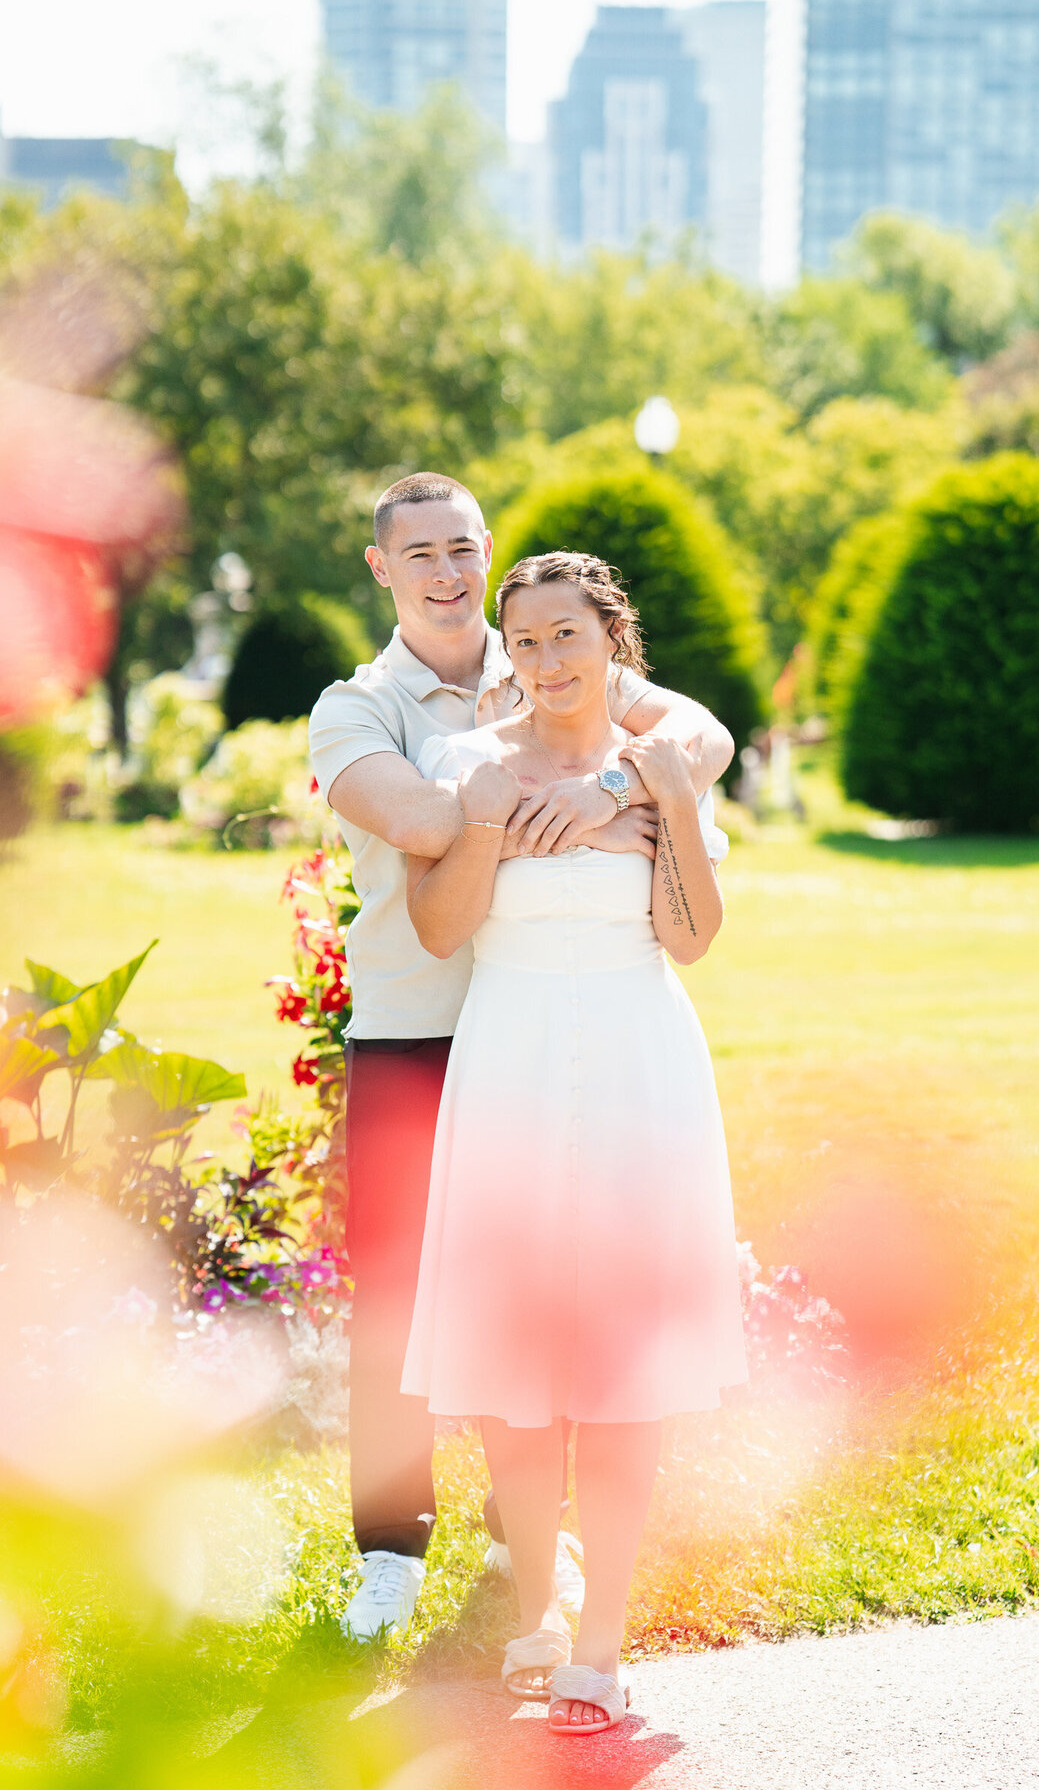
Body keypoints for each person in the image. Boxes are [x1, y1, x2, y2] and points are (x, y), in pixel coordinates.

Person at [308, 473, 735, 1641]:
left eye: (462, 550)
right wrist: (565, 790)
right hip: (419, 1024)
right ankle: (391, 1553)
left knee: (553, 1285)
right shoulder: (355, 708)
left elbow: (701, 737)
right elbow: (433, 824)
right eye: (422, 556)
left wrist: (607, 784)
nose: (447, 574)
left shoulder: (550, 657)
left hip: (556, 1033)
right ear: (381, 568)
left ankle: (529, 1552)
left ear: (486, 551)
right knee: (402, 1302)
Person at [404, 551, 746, 1736]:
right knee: (514, 1370)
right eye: (528, 642)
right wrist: (490, 832)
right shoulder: (467, 768)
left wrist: (666, 814)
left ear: (613, 640)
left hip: (637, 1065)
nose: (547, 661)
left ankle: (603, 1646)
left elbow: (694, 937)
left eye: (567, 636)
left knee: (618, 1367)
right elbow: (442, 928)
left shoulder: (657, 766)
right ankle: (539, 1611)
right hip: (509, 1059)